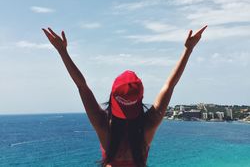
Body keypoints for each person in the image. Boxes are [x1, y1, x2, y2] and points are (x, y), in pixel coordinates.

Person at [42, 25, 207, 167]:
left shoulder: (104, 126)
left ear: (112, 98)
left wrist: (62, 51)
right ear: (140, 101)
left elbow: (82, 87)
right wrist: (188, 50)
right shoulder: (147, 126)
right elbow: (169, 86)